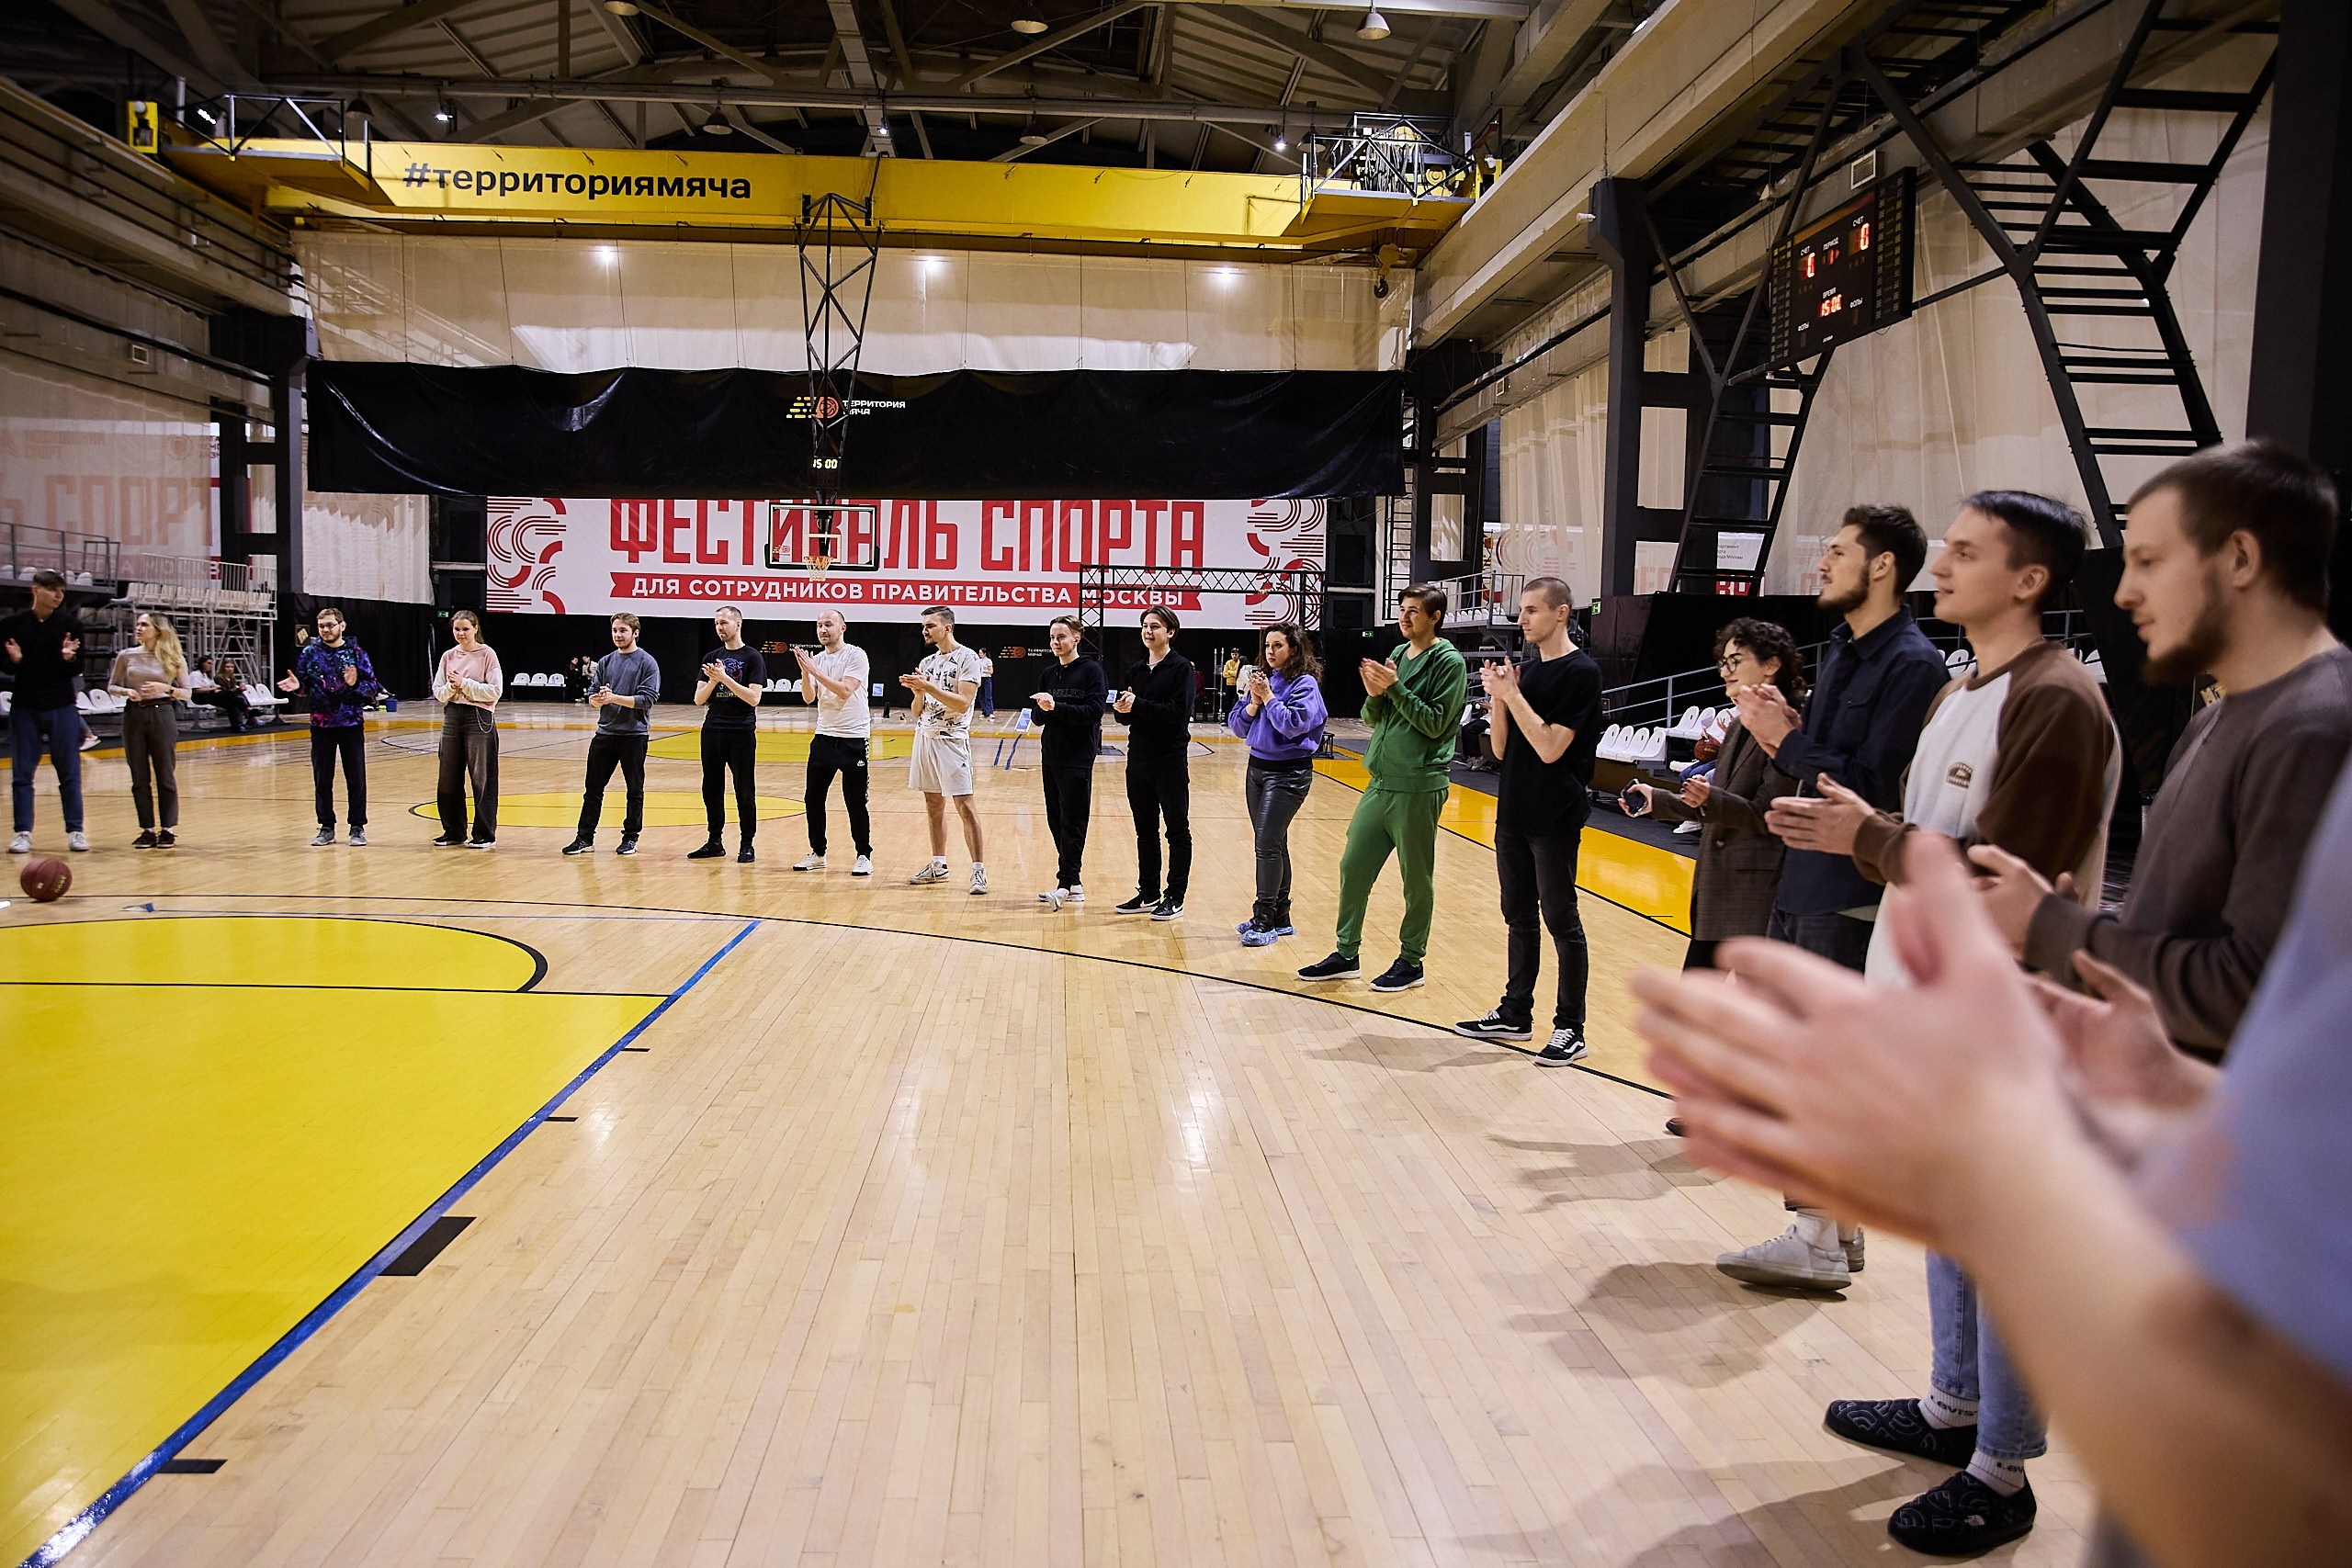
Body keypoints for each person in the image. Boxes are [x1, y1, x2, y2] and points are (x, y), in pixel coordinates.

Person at [1629, 784, 2352, 1568]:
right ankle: (1954, 1408)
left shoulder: (2299, 725)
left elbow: (2297, 1478)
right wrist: (2163, 1095)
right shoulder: (2242, 726)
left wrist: (2054, 936)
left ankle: (1999, 1466)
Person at [1753, 493, 2120, 1552]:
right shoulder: (1966, 685)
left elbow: (2015, 884)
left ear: (2029, 580)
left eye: (1964, 553)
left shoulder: (2055, 699)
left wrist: (1865, 837)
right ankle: (1953, 1409)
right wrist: (1855, 831)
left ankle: (2002, 1473)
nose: (1940, 567)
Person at [1974, 440, 2352, 1056]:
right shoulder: (2221, 717)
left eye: (2149, 561)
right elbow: (2184, 934)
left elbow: (2254, 995)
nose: (2124, 593)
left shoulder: (2315, 727)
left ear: (2239, 557)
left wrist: (2057, 930)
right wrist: (2077, 944)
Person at [1710, 505, 1948, 1285]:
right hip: (1803, 872)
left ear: (1882, 566)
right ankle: (1836, 1227)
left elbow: (1871, 785)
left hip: (1847, 884)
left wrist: (1787, 741)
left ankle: (1815, 1235)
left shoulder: (1911, 665)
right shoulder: (1845, 647)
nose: (1822, 562)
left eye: (1839, 551)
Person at [1453, 578, 1603, 1060]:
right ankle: (1516, 1011)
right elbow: (1499, 749)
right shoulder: (1530, 675)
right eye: (1521, 610)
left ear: (1561, 613)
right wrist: (1497, 697)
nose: (1522, 619)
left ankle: (1570, 1027)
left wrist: (1512, 696)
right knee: (1517, 916)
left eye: (1532, 610)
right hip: (1513, 811)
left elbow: (1550, 746)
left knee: (1561, 920)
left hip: (1554, 816)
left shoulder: (1581, 673)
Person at [1298, 584, 1470, 992]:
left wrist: (1394, 687)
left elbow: (1434, 723)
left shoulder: (1449, 662)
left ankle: (1412, 962)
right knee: (1352, 866)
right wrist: (1376, 694)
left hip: (1418, 785)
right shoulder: (1395, 656)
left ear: (1435, 617)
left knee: (1416, 879)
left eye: (1414, 611)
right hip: (1379, 783)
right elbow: (1371, 718)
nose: (1404, 618)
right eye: (1402, 610)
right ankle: (1346, 953)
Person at [1623, 619, 1805, 972]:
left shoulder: (1789, 725)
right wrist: (1658, 799)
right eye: (1723, 662)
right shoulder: (1738, 725)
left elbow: (1767, 814)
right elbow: (1719, 802)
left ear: (1771, 664)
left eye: (1736, 661)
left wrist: (1709, 799)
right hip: (1718, 891)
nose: (1725, 671)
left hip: (1757, 893)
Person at [1227, 623, 1328, 945]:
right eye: (1267, 646)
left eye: (1278, 646)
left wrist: (1267, 697)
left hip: (1288, 773)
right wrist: (1254, 702)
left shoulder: (1304, 684)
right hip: (1257, 768)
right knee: (1275, 843)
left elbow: (1292, 725)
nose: (1270, 652)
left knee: (1266, 846)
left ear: (1294, 649)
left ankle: (1264, 917)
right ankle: (1280, 916)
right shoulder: (1262, 681)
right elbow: (1237, 726)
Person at [1110, 606, 1197, 919]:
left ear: (1170, 632)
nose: (1148, 631)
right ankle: (1148, 891)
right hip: (1138, 760)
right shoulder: (1135, 671)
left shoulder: (1181, 668)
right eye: (1145, 626)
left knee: (1176, 830)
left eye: (1155, 626)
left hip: (1170, 760)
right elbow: (1126, 717)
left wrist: (1139, 705)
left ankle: (1175, 895)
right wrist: (1122, 709)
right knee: (1144, 830)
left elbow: (1177, 714)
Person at [899, 604, 987, 893]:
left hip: (952, 739)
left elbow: (962, 703)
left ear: (947, 627)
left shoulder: (968, 658)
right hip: (924, 737)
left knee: (965, 807)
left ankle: (978, 870)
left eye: (931, 625)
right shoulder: (927, 663)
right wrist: (918, 692)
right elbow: (917, 711)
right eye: (924, 626)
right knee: (933, 805)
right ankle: (939, 865)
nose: (925, 631)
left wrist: (928, 687)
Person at [277, 606, 381, 847]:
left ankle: (357, 827)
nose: (325, 630)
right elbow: (304, 685)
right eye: (321, 626)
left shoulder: (356, 652)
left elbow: (373, 686)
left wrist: (355, 685)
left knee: (355, 777)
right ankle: (326, 826)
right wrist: (297, 688)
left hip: (351, 723)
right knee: (322, 778)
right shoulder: (310, 652)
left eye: (330, 625)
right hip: (321, 724)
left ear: (342, 626)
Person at [4, 568, 89, 854]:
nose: (58, 595)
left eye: (61, 590)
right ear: (35, 589)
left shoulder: (70, 626)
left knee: (69, 772)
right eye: (52, 589)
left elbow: (77, 668)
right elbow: (3, 666)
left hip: (62, 705)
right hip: (25, 705)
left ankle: (76, 830)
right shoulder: (12, 625)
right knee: (22, 773)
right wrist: (15, 661)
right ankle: (22, 832)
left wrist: (66, 658)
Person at [562, 613, 660, 857]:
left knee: (634, 790)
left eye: (623, 631)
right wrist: (598, 699)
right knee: (592, 789)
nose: (618, 635)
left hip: (634, 735)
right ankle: (584, 837)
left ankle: (630, 837)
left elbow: (647, 700)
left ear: (635, 633)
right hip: (605, 733)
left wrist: (614, 698)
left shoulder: (647, 662)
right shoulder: (605, 662)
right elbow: (593, 697)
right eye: (615, 630)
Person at [1028, 615, 1107, 909]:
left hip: (1078, 757)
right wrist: (1044, 709)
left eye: (1061, 636)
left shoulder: (1092, 671)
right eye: (1051, 637)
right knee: (1055, 819)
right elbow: (1037, 718)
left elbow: (1094, 712)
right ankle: (1074, 884)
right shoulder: (1048, 674)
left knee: (1073, 821)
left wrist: (1056, 706)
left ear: (1076, 637)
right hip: (1051, 754)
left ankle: (1064, 883)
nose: (1055, 642)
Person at [792, 608, 874, 875]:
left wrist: (813, 670)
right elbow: (807, 698)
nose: (822, 629)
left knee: (854, 800)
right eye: (818, 625)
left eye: (828, 624)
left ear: (842, 628)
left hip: (853, 738)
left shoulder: (855, 655)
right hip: (824, 736)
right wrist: (806, 672)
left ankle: (863, 854)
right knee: (812, 798)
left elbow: (845, 690)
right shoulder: (816, 660)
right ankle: (818, 852)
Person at [106, 610, 192, 849]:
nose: (139, 628)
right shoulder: (127, 655)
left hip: (162, 712)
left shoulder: (173, 657)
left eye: (145, 624)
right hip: (134, 714)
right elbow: (112, 685)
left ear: (158, 629)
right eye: (138, 624)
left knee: (165, 772)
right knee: (138, 775)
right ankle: (146, 829)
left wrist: (166, 688)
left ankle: (168, 828)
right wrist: (126, 692)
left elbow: (187, 693)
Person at [687, 606, 765, 863]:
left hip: (741, 730)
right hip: (712, 730)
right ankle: (714, 841)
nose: (719, 627)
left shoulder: (753, 657)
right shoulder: (711, 656)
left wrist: (724, 678)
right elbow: (699, 700)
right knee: (711, 788)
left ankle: (747, 843)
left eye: (724, 622)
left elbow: (753, 698)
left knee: (744, 789)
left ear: (738, 624)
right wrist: (712, 681)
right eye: (716, 623)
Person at [431, 609, 503, 849]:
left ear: (475, 629)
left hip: (479, 717)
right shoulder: (448, 656)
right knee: (448, 777)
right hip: (452, 716)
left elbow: (495, 691)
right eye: (456, 629)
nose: (461, 634)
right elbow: (439, 692)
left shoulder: (487, 654)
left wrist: (466, 684)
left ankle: (484, 833)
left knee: (481, 776)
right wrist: (453, 688)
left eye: (465, 629)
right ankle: (453, 831)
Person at [977, 653, 996, 718]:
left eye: (981, 653)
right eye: (979, 653)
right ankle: (984, 711)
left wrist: (983, 671)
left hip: (987, 679)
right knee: (981, 696)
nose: (979, 654)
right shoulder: (978, 661)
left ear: (984, 654)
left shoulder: (988, 661)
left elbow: (991, 671)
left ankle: (990, 712)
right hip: (980, 679)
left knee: (988, 696)